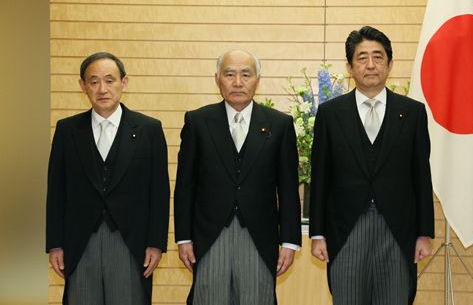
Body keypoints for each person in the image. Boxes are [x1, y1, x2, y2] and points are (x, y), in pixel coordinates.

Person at [309, 26, 435, 304]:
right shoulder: (330, 114)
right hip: (345, 230)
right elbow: (320, 177)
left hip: (398, 231)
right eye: (361, 57)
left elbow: (421, 175)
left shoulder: (412, 112)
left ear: (390, 64)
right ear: (350, 67)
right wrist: (317, 233)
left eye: (378, 57)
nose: (370, 65)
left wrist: (424, 233)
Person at [174, 49, 302, 304]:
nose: (237, 82)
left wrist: (290, 241)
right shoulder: (198, 121)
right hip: (209, 236)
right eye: (229, 74)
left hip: (259, 236)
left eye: (246, 74)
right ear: (217, 79)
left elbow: (288, 188)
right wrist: (184, 238)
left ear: (258, 80)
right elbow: (185, 185)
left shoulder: (279, 125)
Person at [45, 52, 170, 305]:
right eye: (93, 81)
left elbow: (159, 192)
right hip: (79, 242)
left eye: (110, 80)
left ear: (124, 83)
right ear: (82, 86)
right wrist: (55, 244)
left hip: (131, 243)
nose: (102, 89)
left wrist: (156, 244)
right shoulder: (67, 130)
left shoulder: (149, 129)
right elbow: (56, 191)